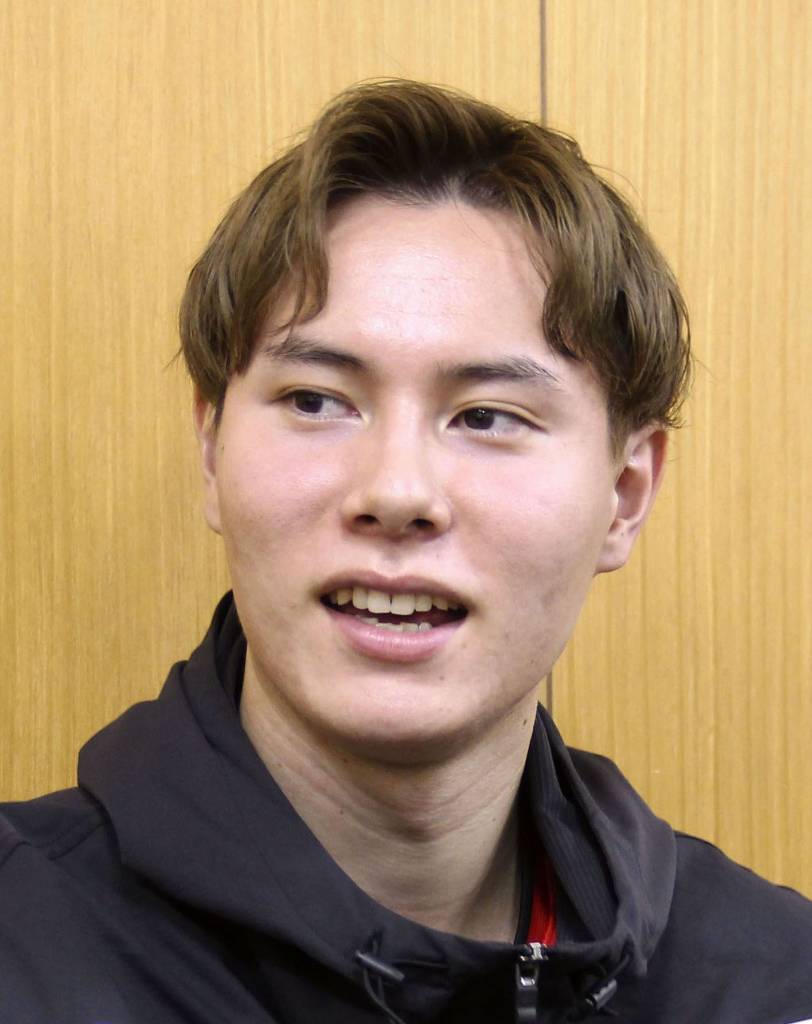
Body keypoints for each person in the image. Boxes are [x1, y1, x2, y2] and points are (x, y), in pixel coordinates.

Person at [1, 80, 810, 1024]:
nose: (395, 493)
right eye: (316, 401)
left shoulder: (775, 985)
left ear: (625, 496)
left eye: (487, 416)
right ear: (213, 450)